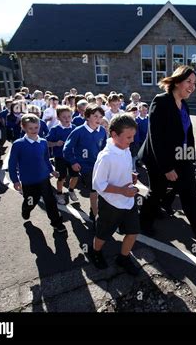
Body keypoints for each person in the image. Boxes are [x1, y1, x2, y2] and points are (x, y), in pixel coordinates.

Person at [138, 65, 196, 254]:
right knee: (157, 191)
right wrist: (167, 167)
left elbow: (187, 134)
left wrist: (190, 158)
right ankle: (143, 222)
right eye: (189, 81)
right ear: (177, 81)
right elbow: (155, 138)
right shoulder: (161, 101)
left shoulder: (184, 104)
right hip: (158, 158)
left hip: (181, 157)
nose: (192, 86)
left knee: (191, 197)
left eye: (195, 83)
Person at [88, 114, 141, 274]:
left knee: (133, 231)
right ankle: (95, 252)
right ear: (114, 135)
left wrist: (130, 174)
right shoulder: (106, 156)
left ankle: (123, 258)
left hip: (128, 201)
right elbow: (98, 184)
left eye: (133, 136)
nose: (131, 140)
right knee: (102, 235)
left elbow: (121, 169)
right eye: (128, 137)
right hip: (111, 204)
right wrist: (123, 191)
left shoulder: (124, 148)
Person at [8, 114, 66, 233]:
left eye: (36, 127)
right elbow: (12, 164)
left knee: (50, 201)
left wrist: (52, 170)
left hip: (44, 179)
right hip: (28, 181)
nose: (34, 131)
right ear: (24, 127)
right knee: (31, 201)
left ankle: (57, 223)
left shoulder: (43, 142)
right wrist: (15, 180)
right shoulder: (18, 144)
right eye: (31, 128)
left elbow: (46, 159)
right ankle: (26, 209)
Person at [63, 104, 107, 223]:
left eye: (101, 116)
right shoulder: (78, 131)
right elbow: (67, 149)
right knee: (94, 190)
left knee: (101, 190)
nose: (98, 119)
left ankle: (93, 211)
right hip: (86, 167)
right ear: (87, 117)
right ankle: (96, 217)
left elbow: (105, 148)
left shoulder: (102, 131)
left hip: (99, 165)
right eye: (95, 116)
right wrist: (73, 162)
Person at [46, 105, 79, 205]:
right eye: (64, 117)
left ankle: (71, 190)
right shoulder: (55, 129)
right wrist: (55, 143)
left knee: (75, 175)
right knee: (62, 177)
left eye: (69, 116)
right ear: (58, 117)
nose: (67, 119)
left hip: (73, 157)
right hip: (60, 157)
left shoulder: (75, 128)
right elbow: (46, 142)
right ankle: (59, 193)